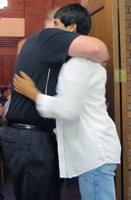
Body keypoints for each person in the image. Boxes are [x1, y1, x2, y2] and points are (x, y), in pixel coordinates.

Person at [1, 3, 109, 200]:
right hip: (29, 136)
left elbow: (67, 108)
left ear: (71, 28)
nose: (49, 28)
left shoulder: (76, 60)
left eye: (55, 23)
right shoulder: (58, 48)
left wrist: (34, 93)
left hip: (81, 144)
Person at [14, 57, 121, 200]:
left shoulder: (80, 67)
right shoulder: (81, 67)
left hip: (94, 153)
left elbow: (66, 108)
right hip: (94, 153)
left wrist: (32, 93)